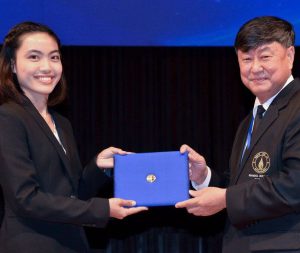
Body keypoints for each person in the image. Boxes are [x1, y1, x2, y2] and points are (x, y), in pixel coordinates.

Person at [0, 21, 147, 253]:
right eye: (34, 57)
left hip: (72, 244)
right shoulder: (8, 117)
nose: (47, 67)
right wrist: (102, 210)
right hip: (32, 244)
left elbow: (72, 194)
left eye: (54, 57)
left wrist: (97, 168)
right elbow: (25, 198)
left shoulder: (61, 123)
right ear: (13, 65)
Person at [176, 16, 300, 253]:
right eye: (246, 59)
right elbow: (240, 185)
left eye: (265, 56)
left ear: (290, 56)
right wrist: (204, 177)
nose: (255, 68)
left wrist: (225, 199)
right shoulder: (250, 121)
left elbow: (295, 184)